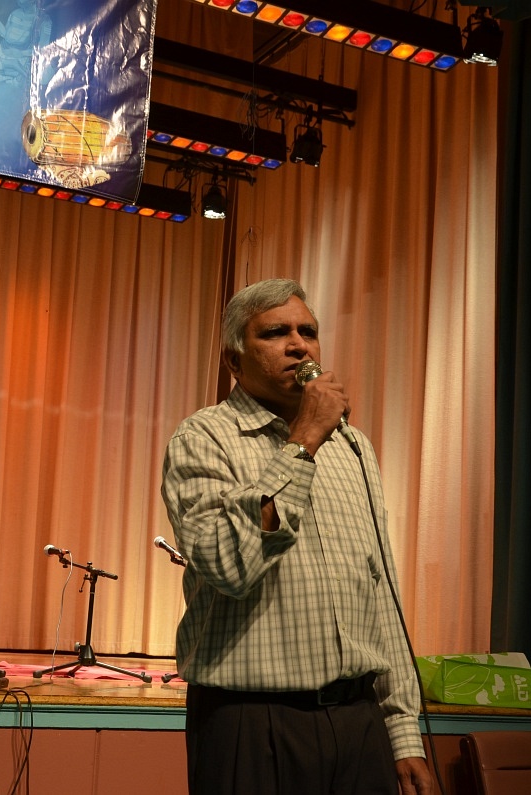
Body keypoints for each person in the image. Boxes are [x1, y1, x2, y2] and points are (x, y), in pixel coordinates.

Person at [161, 278, 436, 795]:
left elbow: (380, 591)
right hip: (250, 721)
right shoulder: (204, 437)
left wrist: (402, 732)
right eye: (274, 333)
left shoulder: (353, 446)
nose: (298, 345)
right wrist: (304, 438)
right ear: (234, 361)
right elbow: (229, 566)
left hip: (358, 721)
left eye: (307, 332)